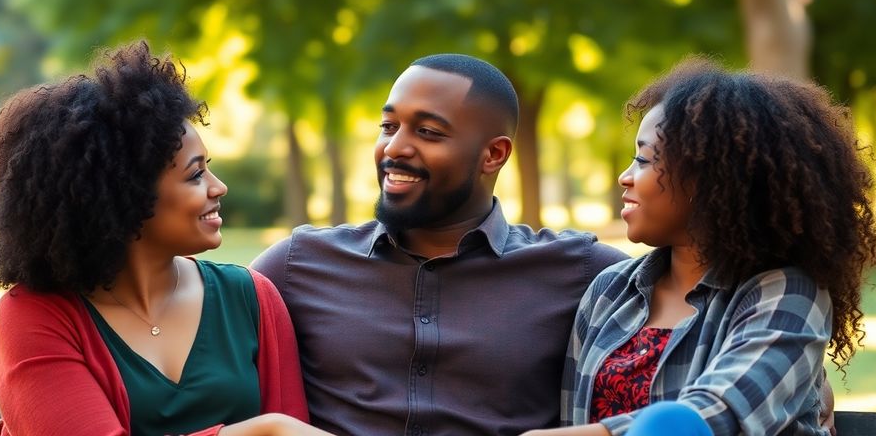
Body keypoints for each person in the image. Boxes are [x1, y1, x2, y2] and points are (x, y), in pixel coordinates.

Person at [251, 53, 630, 435]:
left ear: (493, 155)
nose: (395, 148)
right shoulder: (296, 264)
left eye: (428, 132)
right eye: (388, 126)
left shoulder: (585, 273)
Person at [0, 41, 333, 436]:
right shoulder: (37, 316)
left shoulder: (252, 297)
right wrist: (263, 432)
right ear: (126, 195)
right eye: (195, 174)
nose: (219, 188)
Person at [524, 58, 876, 436]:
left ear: (715, 181)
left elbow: (718, 414)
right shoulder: (610, 291)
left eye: (644, 159)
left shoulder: (787, 293)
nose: (625, 177)